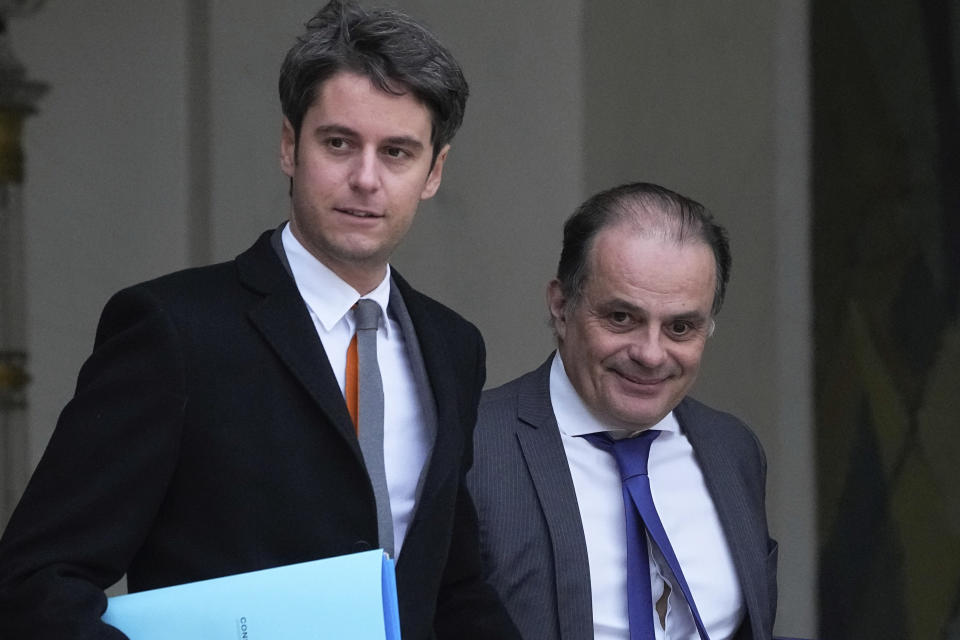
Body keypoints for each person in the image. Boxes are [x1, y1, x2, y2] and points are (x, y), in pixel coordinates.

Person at [0, 2, 519, 638]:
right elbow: (38, 580)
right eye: (338, 142)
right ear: (287, 146)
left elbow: (451, 585)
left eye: (397, 152)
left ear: (433, 171)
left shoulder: (451, 347)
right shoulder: (174, 331)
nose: (365, 179)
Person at [467, 182, 778, 640]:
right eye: (621, 318)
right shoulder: (470, 448)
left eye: (680, 327)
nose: (651, 354)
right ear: (560, 306)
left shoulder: (733, 450)